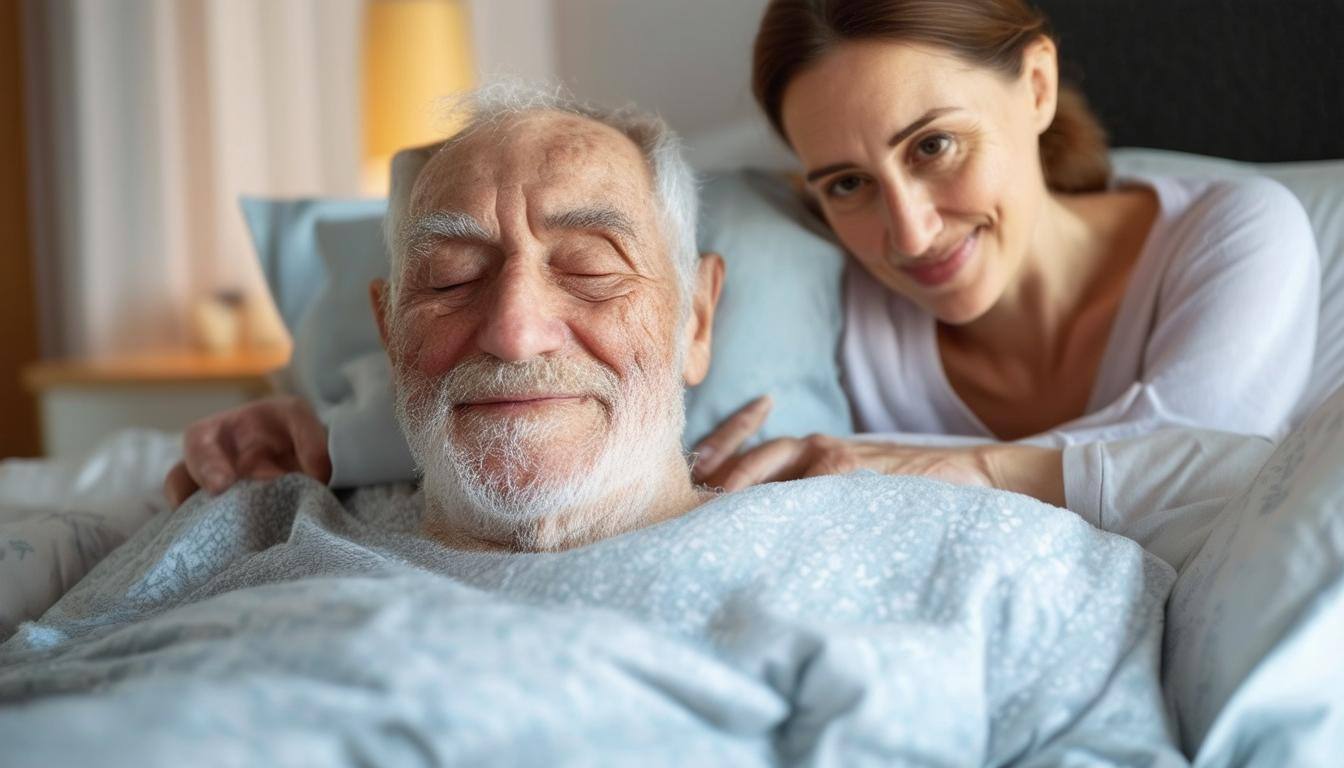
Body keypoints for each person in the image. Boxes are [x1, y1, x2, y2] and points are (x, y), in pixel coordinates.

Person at [3, 89, 1185, 763]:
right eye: (451, 275)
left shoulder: (961, 561)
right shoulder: (242, 527)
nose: (515, 331)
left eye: (589, 264)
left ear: (699, 317)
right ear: (387, 321)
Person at [165, 0, 1317, 524]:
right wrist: (319, 414)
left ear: (1037, 87)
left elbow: (1213, 477)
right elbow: (592, 230)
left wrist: (915, 468)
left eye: (938, 147)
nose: (907, 233)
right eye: (847, 183)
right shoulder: (810, 264)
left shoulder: (1240, 232)